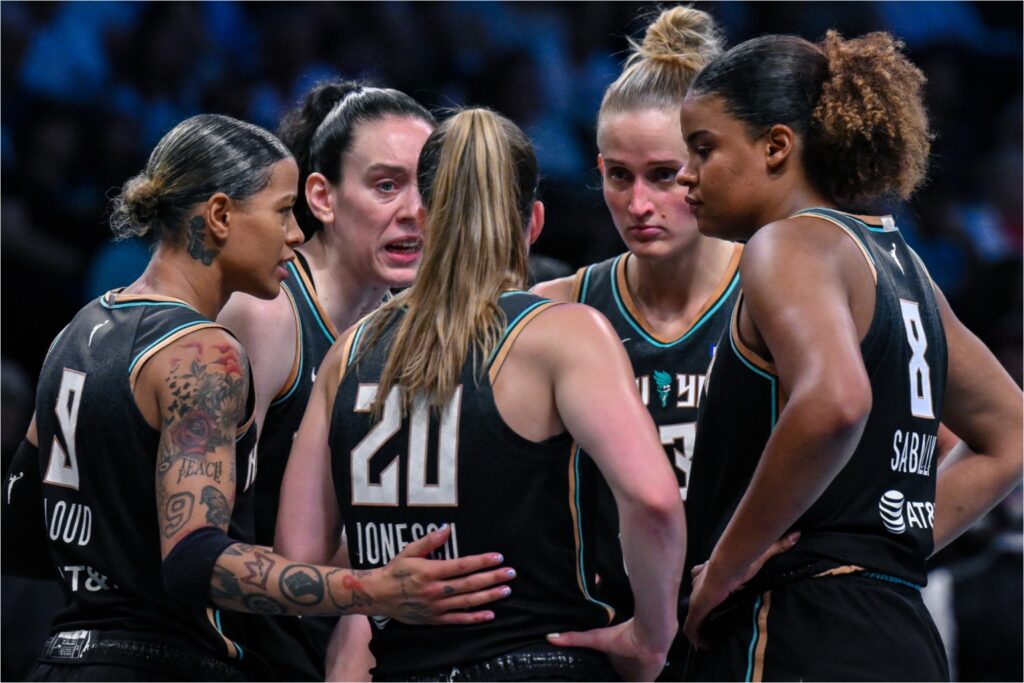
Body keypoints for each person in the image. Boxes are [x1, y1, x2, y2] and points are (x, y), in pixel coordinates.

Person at [2, 113, 515, 682]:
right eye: (281, 212)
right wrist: (373, 590)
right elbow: (195, 561)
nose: (296, 236)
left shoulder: (78, 329)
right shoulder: (203, 353)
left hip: (60, 661)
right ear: (221, 215)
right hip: (163, 664)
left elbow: (19, 535)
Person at [276, 108, 686, 682]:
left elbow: (296, 562)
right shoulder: (563, 335)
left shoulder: (350, 351)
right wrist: (652, 634)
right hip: (536, 661)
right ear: (535, 222)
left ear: (422, 215)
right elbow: (656, 503)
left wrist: (381, 584)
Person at [675, 32, 1023, 680]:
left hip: (800, 628)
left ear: (776, 146)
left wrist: (726, 566)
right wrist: (890, 543)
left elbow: (836, 401)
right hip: (901, 634)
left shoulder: (786, 245)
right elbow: (1013, 432)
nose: (687, 176)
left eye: (703, 149)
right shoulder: (901, 264)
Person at [531, 7, 735, 678]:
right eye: (620, 176)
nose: (639, 203)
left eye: (664, 174)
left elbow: (915, 454)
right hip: (605, 648)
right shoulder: (552, 313)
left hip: (749, 638)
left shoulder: (781, 298)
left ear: (707, 164)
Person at [217, 80, 435, 680]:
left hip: (346, 642)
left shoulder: (411, 332)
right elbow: (207, 547)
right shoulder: (267, 316)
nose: (414, 210)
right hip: (241, 654)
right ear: (322, 196)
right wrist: (375, 580)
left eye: (430, 187)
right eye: (387, 186)